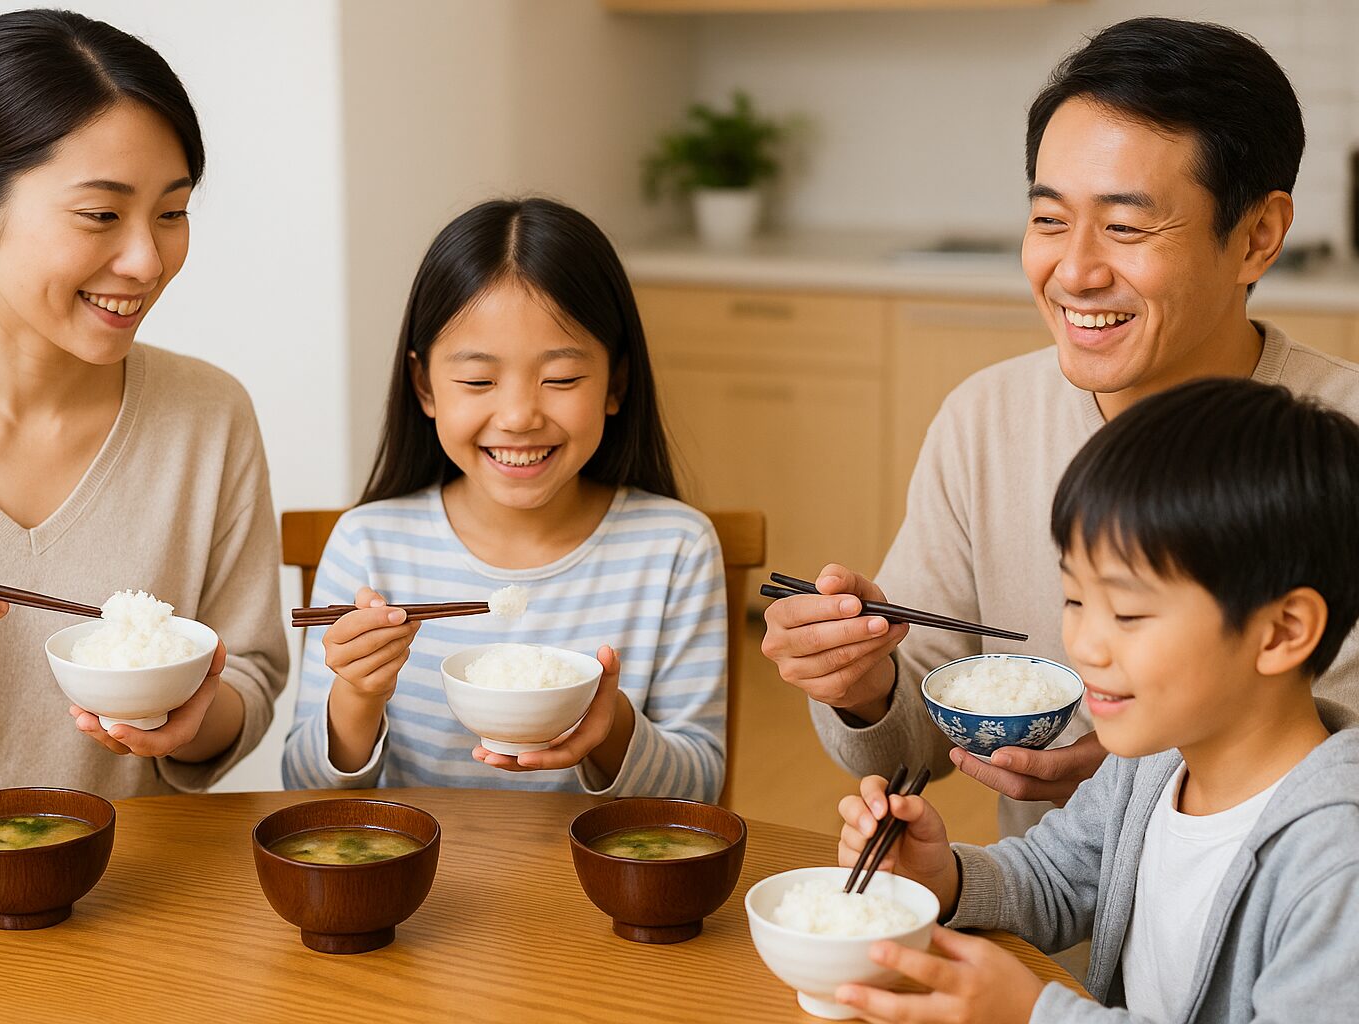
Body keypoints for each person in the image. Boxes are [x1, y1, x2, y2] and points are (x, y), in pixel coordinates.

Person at [761, 16, 1359, 837]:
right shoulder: (987, 420)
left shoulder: (1340, 439)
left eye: (1125, 226)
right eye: (1048, 219)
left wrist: (1136, 769)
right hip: (1043, 927)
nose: (1073, 271)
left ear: (1258, 236)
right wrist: (863, 684)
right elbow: (912, 742)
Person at [0, 10, 287, 833]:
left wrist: (188, 718)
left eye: (171, 213)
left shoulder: (210, 418)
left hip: (137, 902)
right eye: (101, 216)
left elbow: (246, 671)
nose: (146, 260)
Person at [833, 378, 1359, 1023]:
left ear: (1281, 632)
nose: (1084, 643)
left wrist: (1034, 1015)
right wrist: (945, 877)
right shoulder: (1157, 759)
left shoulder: (1338, 854)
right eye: (1076, 600)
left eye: (1130, 613)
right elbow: (1056, 880)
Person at [281, 197, 726, 798]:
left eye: (562, 379)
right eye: (477, 381)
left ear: (616, 382)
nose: (518, 417)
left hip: (593, 883)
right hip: (418, 883)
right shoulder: (370, 546)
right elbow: (302, 788)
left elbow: (699, 791)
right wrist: (359, 697)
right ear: (424, 385)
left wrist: (610, 727)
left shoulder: (674, 547)